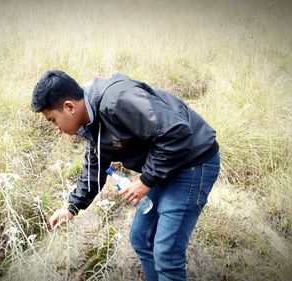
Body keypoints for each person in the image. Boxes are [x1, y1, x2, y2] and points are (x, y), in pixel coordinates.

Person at [31, 70, 220, 281]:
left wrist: (146, 180)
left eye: (53, 120)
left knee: (166, 252)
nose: (55, 128)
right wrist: (71, 207)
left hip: (194, 161)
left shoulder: (118, 100)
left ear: (69, 107)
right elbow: (95, 167)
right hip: (166, 163)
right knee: (141, 238)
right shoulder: (90, 122)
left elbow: (177, 132)